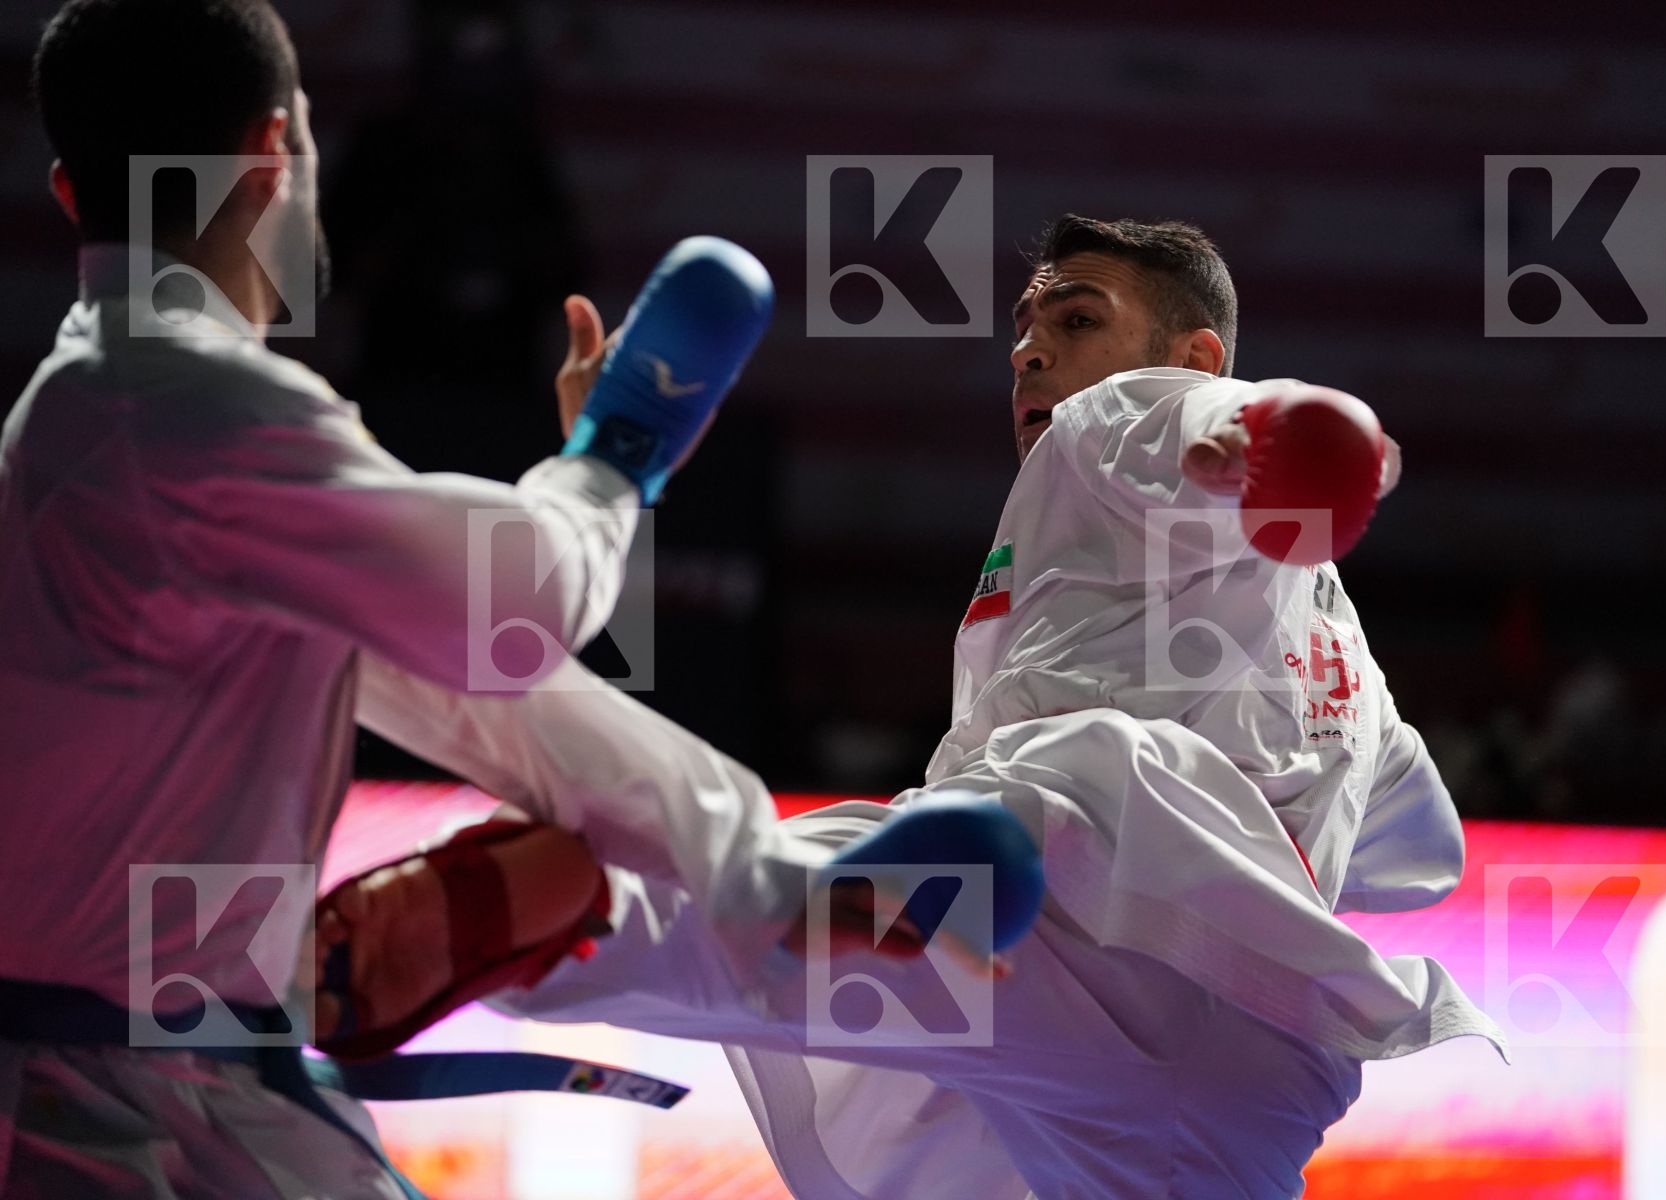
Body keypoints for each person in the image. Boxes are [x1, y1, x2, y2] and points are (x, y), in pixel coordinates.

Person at [337, 216, 1507, 1199]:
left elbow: (1222, 426)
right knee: (867, 941)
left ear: (1195, 355)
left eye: (1077, 318)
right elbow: (1426, 852)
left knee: (827, 909)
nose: (1031, 353)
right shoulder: (1346, 656)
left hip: (1091, 869)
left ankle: (574, 913)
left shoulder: (1123, 425)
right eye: (1027, 331)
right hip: (1250, 1079)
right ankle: (571, 920)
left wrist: (1292, 442)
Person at [0, 1, 765, 1194]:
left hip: (144, 1076)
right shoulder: (184, 405)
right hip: (119, 1109)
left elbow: (463, 678)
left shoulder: (88, 405)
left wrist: (748, 852)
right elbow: (514, 612)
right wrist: (619, 454)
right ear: (272, 156)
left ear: (65, 193)